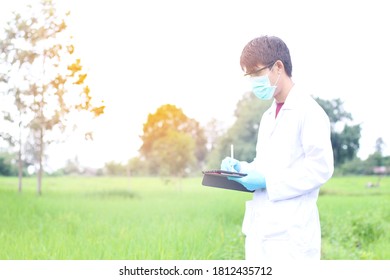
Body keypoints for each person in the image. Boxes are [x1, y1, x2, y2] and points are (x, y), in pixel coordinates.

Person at [220, 36, 334, 260]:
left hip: (292, 237)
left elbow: (320, 168)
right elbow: (265, 164)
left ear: (278, 67)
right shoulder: (268, 116)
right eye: (248, 75)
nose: (253, 81)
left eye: (256, 73)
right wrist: (242, 168)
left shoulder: (309, 111)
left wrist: (267, 182)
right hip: (262, 231)